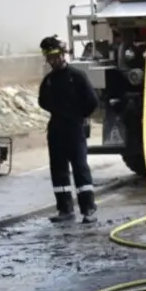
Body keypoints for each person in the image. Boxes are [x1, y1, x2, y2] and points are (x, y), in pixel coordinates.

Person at [37, 35, 99, 224]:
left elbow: (92, 101)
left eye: (55, 55)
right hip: (56, 130)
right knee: (58, 170)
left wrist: (78, 117)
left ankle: (88, 209)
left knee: (80, 168)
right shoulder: (48, 80)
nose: (53, 60)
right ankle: (65, 209)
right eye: (49, 57)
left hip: (74, 129)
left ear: (63, 55)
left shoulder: (77, 76)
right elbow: (43, 101)